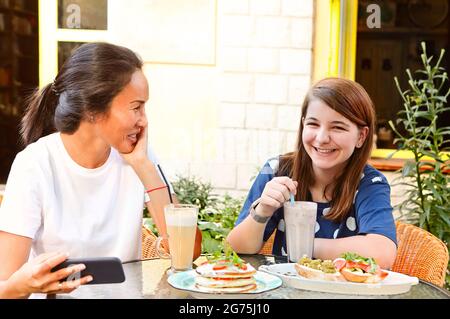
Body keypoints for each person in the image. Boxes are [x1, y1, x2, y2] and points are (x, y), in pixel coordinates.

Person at [0, 42, 201, 298]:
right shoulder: (35, 164)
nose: (145, 120)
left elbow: (188, 251)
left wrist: (143, 167)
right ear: (93, 110)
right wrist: (27, 284)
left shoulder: (139, 156)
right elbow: (5, 286)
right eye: (136, 107)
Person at [227, 77, 397, 269]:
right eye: (313, 124)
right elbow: (235, 249)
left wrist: (303, 245)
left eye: (337, 127)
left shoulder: (369, 183)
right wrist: (263, 211)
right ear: (303, 125)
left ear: (361, 136)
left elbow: (382, 253)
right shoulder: (277, 171)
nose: (322, 138)